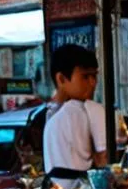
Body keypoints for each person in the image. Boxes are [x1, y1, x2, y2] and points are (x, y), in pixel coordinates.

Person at [42, 44, 107, 179]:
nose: (93, 83)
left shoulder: (46, 114)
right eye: (85, 76)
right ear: (61, 79)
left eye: (94, 76)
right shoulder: (92, 109)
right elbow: (104, 160)